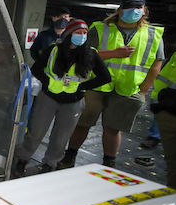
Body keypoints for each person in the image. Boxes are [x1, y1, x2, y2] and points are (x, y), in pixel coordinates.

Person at [58, 0, 165, 169]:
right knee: (82, 123)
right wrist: (114, 53)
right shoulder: (100, 28)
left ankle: (109, 164)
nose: (135, 11)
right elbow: (83, 53)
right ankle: (70, 156)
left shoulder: (154, 34)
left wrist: (144, 90)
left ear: (145, 10)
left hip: (127, 89)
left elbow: (156, 64)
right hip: (95, 85)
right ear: (120, 10)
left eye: (139, 8)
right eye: (130, 8)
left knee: (112, 128)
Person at [13, 19, 111, 177]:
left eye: (85, 33)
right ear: (69, 33)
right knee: (36, 132)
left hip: (73, 102)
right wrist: (48, 83)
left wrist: (82, 87)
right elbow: (36, 69)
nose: (82, 36)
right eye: (78, 32)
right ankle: (22, 160)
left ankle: (49, 164)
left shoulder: (90, 54)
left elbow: (105, 77)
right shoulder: (53, 50)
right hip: (48, 98)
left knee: (61, 137)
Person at [150, 49, 176, 189]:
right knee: (174, 167)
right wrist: (158, 107)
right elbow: (162, 80)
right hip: (170, 116)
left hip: (169, 113)